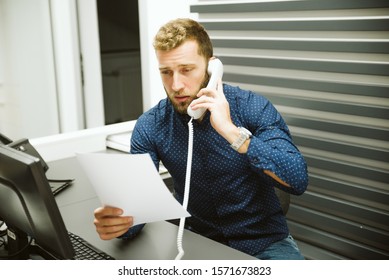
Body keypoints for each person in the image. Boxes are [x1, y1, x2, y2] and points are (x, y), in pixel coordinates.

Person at [93, 18, 308, 260]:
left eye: (186, 70)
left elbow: (297, 179)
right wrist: (120, 224)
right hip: (198, 244)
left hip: (264, 243)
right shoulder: (150, 126)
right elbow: (138, 207)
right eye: (166, 72)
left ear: (211, 66)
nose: (176, 85)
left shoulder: (252, 107)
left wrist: (232, 132)